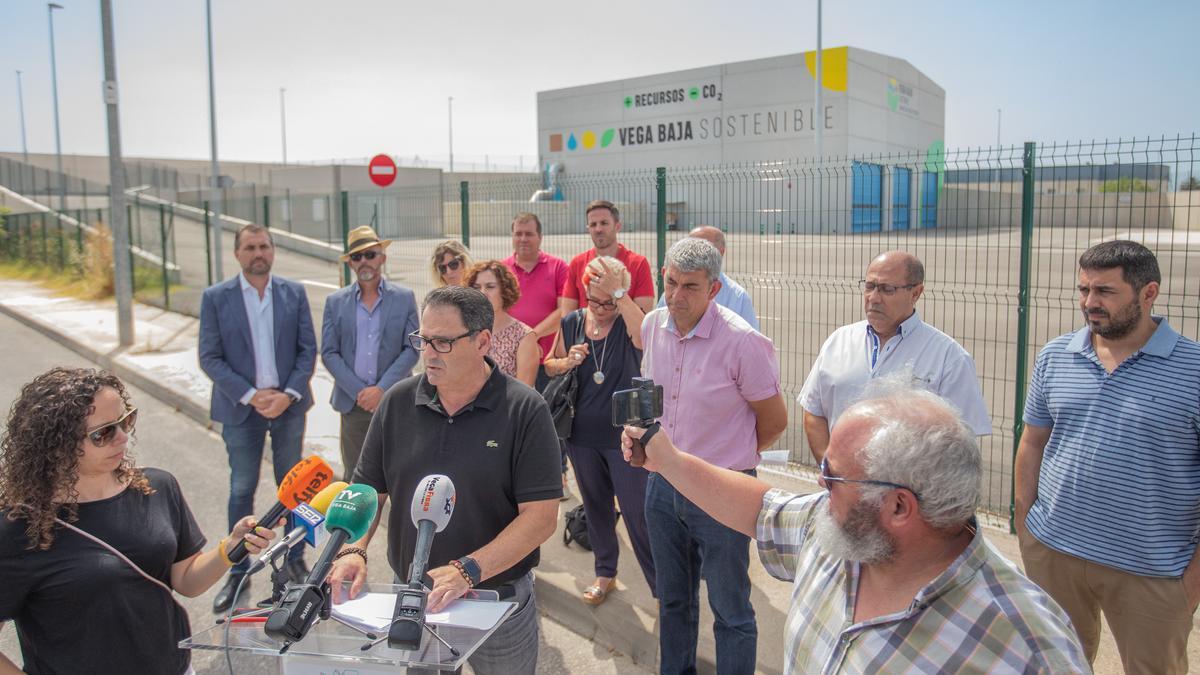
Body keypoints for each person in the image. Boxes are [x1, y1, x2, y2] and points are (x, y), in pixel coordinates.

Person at [620, 380, 1090, 674]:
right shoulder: (837, 531)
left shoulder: (1028, 649)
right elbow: (760, 507)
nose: (819, 484)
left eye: (833, 475)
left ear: (900, 507)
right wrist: (669, 461)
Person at [327, 286, 562, 675]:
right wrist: (354, 548)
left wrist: (469, 569)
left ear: (482, 341)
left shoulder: (525, 409)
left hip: (496, 599)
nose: (429, 353)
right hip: (413, 598)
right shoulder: (397, 402)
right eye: (422, 339)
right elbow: (368, 490)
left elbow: (540, 518)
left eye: (443, 342)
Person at [0, 368, 278, 675]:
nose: (123, 436)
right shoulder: (17, 528)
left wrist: (231, 548)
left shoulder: (157, 486)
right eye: (103, 433)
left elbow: (185, 579)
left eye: (125, 420)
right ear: (57, 444)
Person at [1015, 239, 1200, 673]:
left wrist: (1190, 584)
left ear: (1148, 293)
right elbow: (1033, 440)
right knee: (1054, 663)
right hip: (1054, 552)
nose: (1089, 303)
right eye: (1084, 290)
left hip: (1151, 571)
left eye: (1105, 292)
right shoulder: (1056, 355)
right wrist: (1027, 525)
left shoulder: (1194, 369)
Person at [640, 237, 789, 675]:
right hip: (662, 486)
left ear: (715, 289)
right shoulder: (652, 325)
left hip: (725, 491)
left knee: (730, 609)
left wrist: (733, 455)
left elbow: (774, 420)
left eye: (690, 286)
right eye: (670, 283)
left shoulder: (744, 343)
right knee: (673, 602)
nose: (676, 296)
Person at [198, 223, 316, 612]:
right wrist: (251, 396)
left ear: (273, 250)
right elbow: (209, 357)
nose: (258, 253)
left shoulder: (293, 293)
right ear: (237, 253)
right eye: (249, 247)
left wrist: (287, 395)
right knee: (241, 489)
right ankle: (236, 571)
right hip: (240, 408)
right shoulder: (217, 298)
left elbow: (306, 350)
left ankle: (296, 559)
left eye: (264, 246)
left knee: (294, 488)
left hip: (287, 407)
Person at [799, 250, 991, 463]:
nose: (874, 298)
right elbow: (814, 412)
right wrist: (832, 471)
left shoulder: (949, 358)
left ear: (916, 293)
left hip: (909, 493)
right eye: (870, 286)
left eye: (887, 289)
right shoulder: (839, 341)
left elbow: (960, 444)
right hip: (840, 489)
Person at [545, 256, 654, 605]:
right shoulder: (573, 322)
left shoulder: (630, 320)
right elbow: (550, 365)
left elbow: (646, 339)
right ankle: (605, 572)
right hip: (582, 435)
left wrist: (619, 295)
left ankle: (660, 586)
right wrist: (567, 360)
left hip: (625, 437)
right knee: (596, 507)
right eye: (595, 301)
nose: (602, 309)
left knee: (638, 513)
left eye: (609, 301)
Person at [321, 225, 420, 481]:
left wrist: (381, 389)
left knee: (400, 475)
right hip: (354, 405)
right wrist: (360, 392)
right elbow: (329, 353)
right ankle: (359, 523)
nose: (364, 261)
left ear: (382, 258)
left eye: (370, 255)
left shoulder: (404, 298)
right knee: (355, 478)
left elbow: (412, 348)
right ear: (351, 264)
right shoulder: (335, 303)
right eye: (357, 257)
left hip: (394, 401)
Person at [502, 212, 569, 382]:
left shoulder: (558, 267)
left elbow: (564, 310)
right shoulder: (501, 270)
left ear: (540, 237)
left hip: (547, 363)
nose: (523, 239)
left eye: (529, 234)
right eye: (518, 234)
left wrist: (532, 336)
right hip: (510, 362)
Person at [560, 200, 656, 316]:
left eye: (604, 223)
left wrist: (616, 292)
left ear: (617, 226)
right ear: (588, 229)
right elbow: (567, 316)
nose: (598, 229)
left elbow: (643, 318)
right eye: (593, 224)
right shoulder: (577, 263)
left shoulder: (638, 264)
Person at [655, 225, 759, 330]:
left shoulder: (738, 297)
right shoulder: (670, 296)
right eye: (690, 246)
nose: (695, 253)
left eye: (706, 247)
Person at [466, 260, 539, 387]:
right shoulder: (464, 329)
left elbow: (524, 395)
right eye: (477, 287)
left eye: (490, 286)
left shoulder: (524, 336)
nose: (482, 292)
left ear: (505, 291)